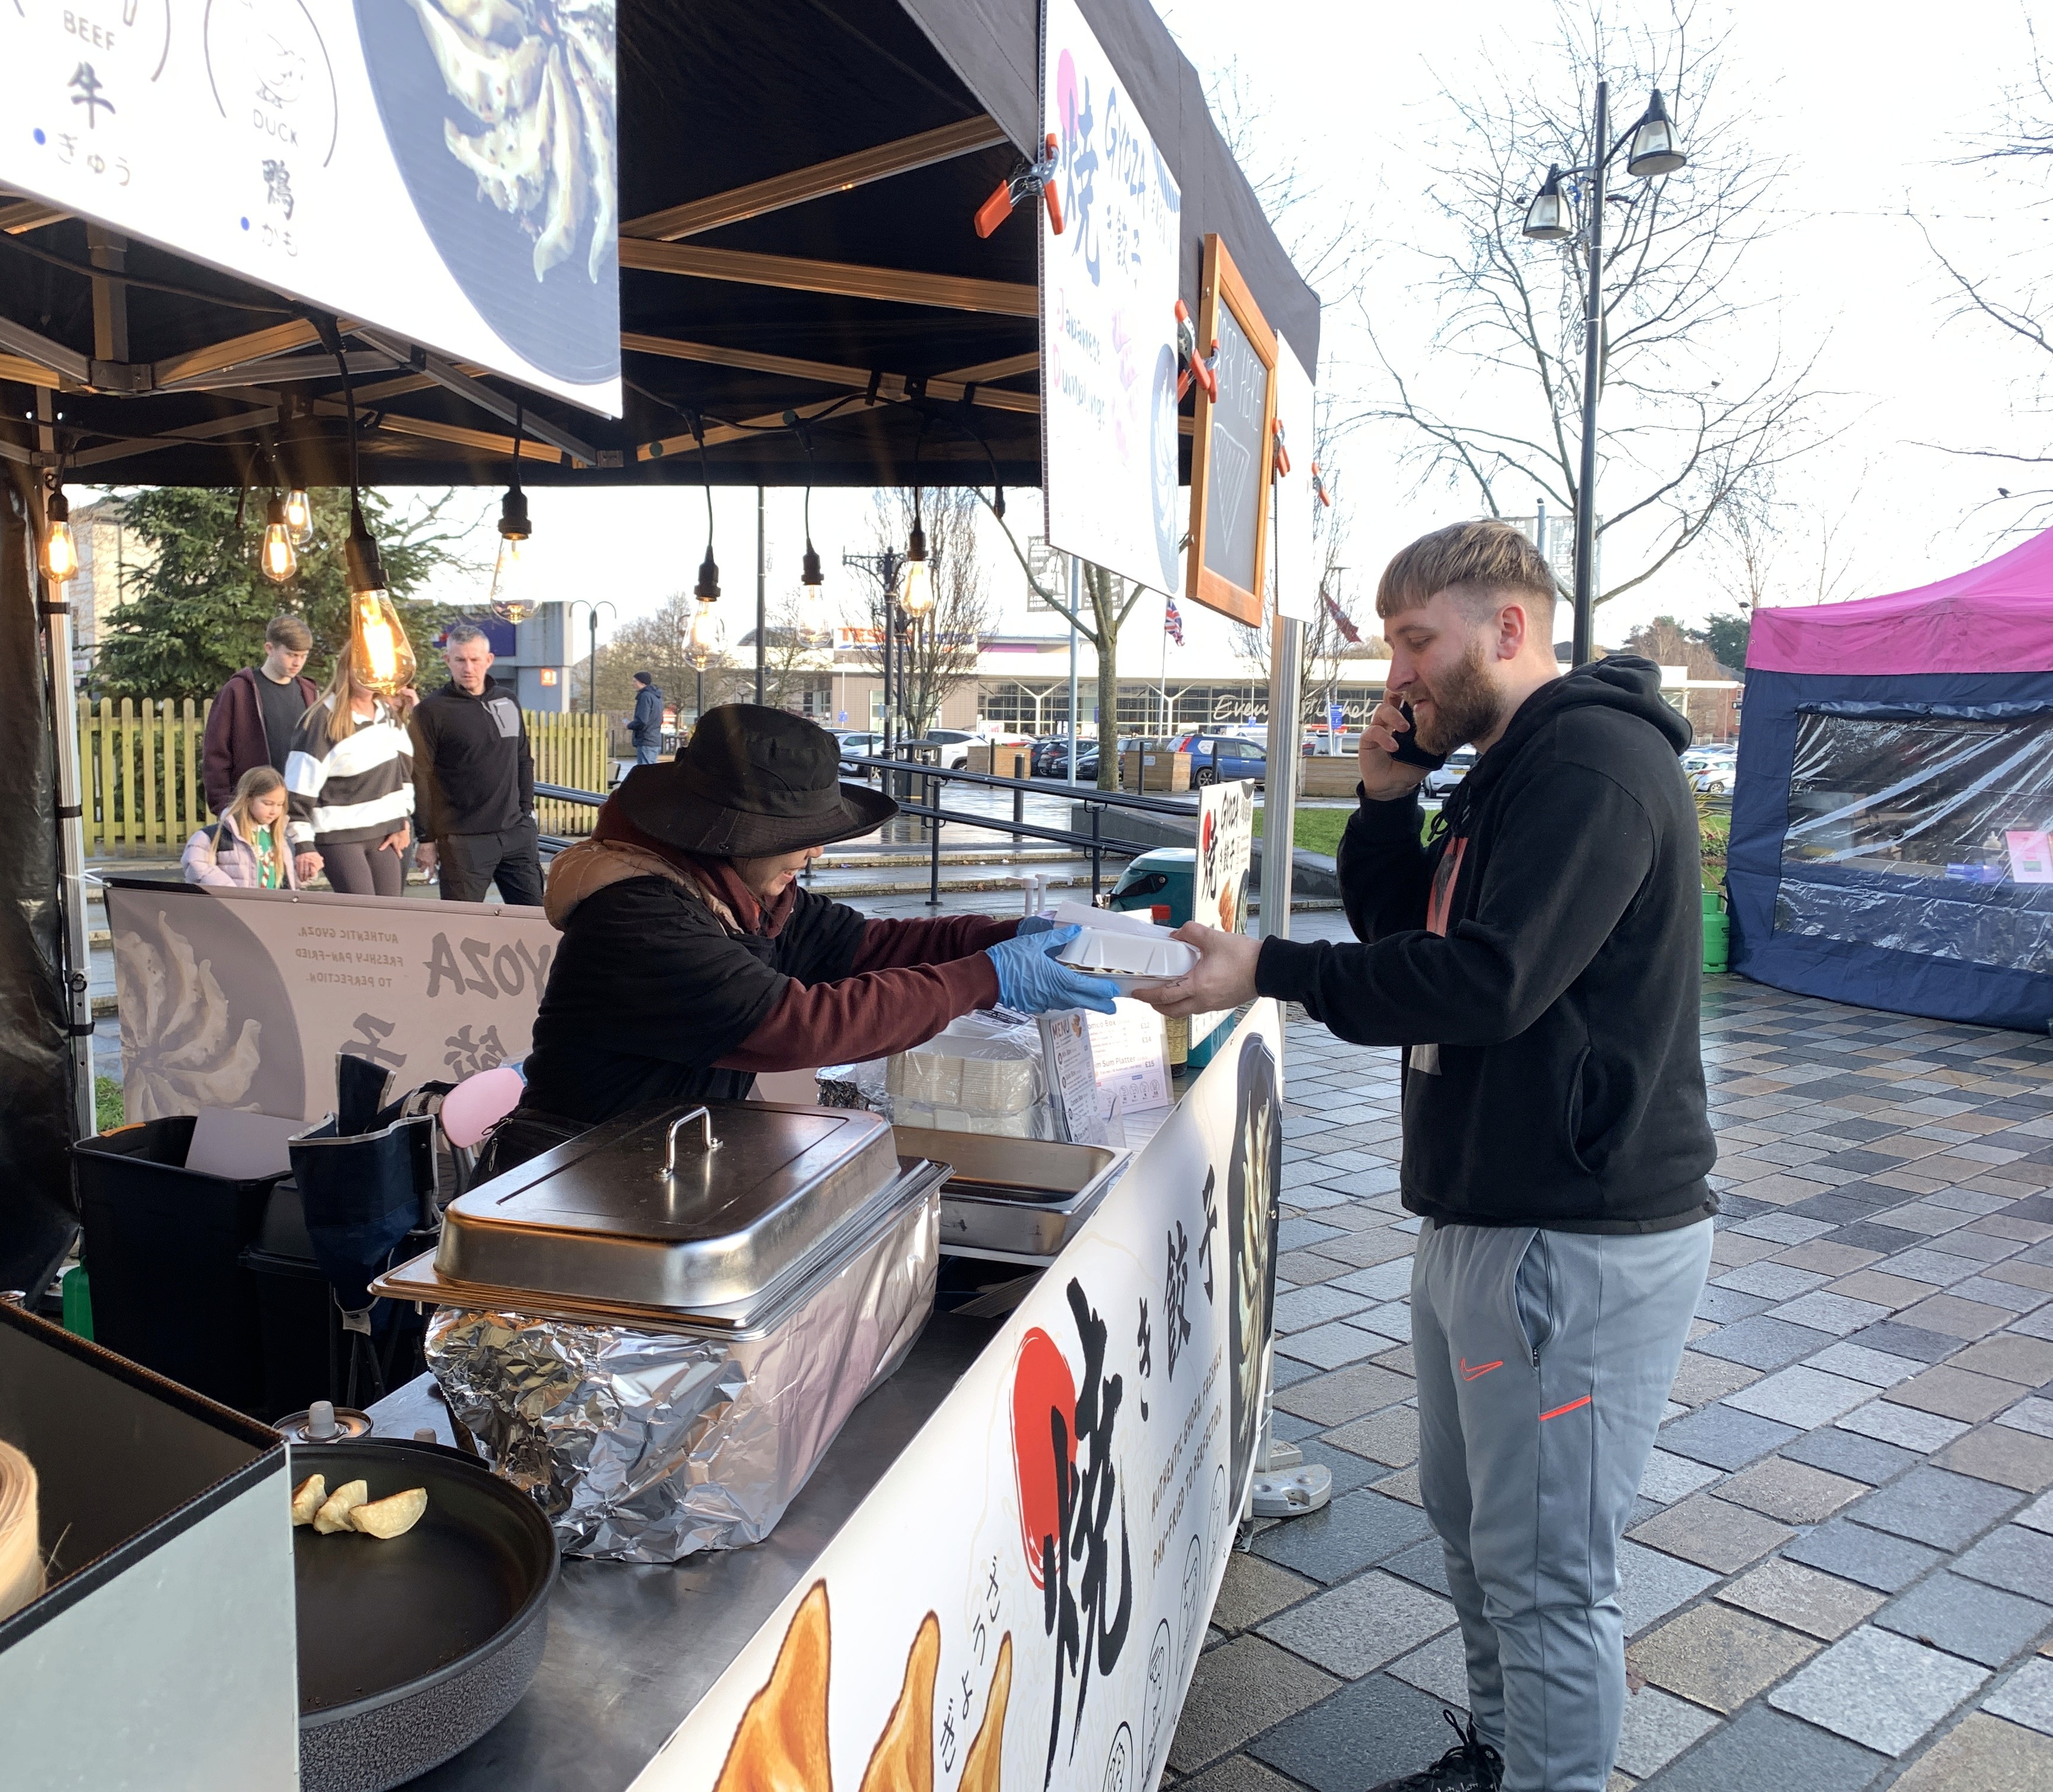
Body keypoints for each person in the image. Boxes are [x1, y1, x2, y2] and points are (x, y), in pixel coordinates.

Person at [1147, 520, 1715, 1792]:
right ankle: (1505, 1753)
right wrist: (1390, 800)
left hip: (1576, 1233)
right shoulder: (1506, 770)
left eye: (1416, 640)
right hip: (1487, 1212)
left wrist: (1272, 971)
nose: (1395, 672)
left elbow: (1489, 982)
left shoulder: (1594, 767)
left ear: (1507, 630)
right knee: (1474, 1532)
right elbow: (1408, 933)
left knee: (1546, 1569)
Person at [506, 705, 1120, 1158]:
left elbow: (871, 949)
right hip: (574, 1174)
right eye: (795, 838)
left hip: (657, 1157)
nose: (815, 850)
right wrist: (990, 977)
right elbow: (795, 1027)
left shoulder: (746, 896)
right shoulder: (638, 918)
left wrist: (1011, 934)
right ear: (726, 836)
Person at [410, 625, 544, 905]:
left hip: (516, 834)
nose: (468, 667)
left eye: (475, 659)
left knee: (534, 921)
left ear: (489, 660)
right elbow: (420, 777)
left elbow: (523, 759)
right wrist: (426, 838)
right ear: (448, 661)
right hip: (463, 842)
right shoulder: (431, 711)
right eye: (460, 660)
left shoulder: (508, 701)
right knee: (462, 928)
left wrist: (527, 813)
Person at [284, 652, 415, 897]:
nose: (369, 675)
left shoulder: (386, 712)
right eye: (363, 667)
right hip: (338, 836)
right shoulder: (321, 720)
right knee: (363, 917)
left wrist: (402, 821)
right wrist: (303, 845)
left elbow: (403, 773)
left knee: (391, 918)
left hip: (384, 832)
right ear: (348, 668)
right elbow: (298, 790)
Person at [200, 614, 316, 813]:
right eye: (291, 654)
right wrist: (223, 807)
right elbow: (216, 753)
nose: (298, 662)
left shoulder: (310, 692)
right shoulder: (238, 691)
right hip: (250, 809)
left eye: (304, 655)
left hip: (298, 811)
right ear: (269, 649)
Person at [181, 765, 296, 889]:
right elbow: (195, 864)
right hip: (233, 906)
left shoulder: (281, 838)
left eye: (280, 805)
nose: (274, 811)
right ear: (248, 799)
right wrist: (230, 891)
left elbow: (289, 878)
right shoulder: (215, 836)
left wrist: (305, 873)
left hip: (272, 906)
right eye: (268, 804)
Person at [628, 670, 664, 764]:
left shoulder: (645, 697)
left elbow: (642, 720)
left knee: (645, 773)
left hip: (646, 740)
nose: (633, 684)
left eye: (635, 681)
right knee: (651, 772)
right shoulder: (657, 697)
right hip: (655, 739)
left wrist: (629, 725)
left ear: (641, 682)